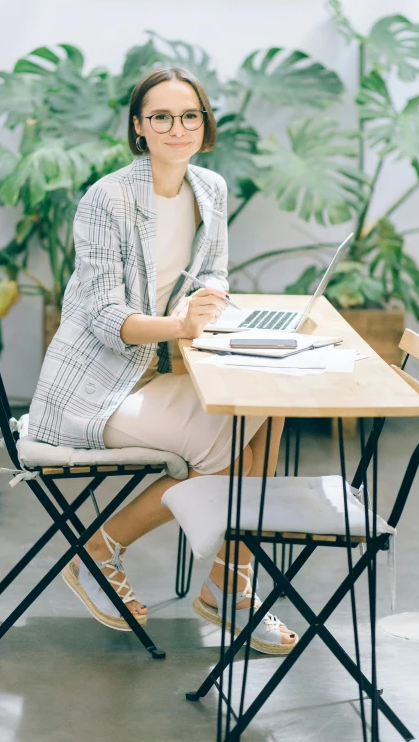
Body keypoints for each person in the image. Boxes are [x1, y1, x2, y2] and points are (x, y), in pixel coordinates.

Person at [29, 67, 298, 654]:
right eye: (161, 117)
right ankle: (102, 550)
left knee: (269, 418)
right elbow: (104, 315)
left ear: (205, 125)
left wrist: (211, 301)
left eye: (189, 116)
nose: (177, 128)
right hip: (97, 385)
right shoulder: (108, 199)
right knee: (230, 448)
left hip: (161, 370)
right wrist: (180, 326)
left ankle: (228, 582)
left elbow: (214, 271)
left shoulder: (210, 189)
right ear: (139, 128)